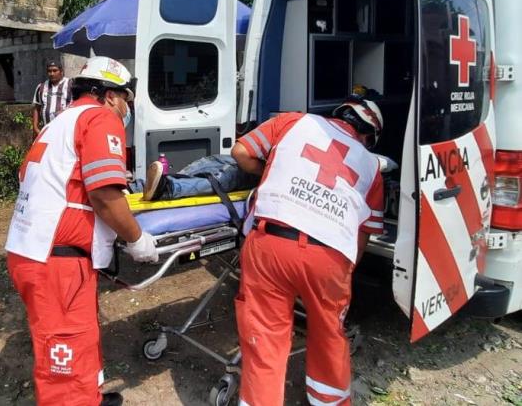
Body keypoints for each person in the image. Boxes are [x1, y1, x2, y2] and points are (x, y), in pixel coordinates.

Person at [6, 56, 158, 406]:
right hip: (56, 262)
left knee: (78, 337)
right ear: (109, 95)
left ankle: (89, 395)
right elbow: (104, 194)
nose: (126, 109)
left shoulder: (58, 123)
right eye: (126, 99)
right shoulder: (100, 118)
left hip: (35, 250)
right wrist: (137, 240)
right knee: (64, 357)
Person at [231, 95, 385, 406]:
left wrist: (276, 175)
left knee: (265, 338)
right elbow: (365, 233)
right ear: (368, 136)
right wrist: (344, 273)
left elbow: (241, 151)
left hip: (271, 244)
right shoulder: (371, 167)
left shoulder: (292, 121)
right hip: (328, 257)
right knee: (329, 336)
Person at [136, 154, 258, 201]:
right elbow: (238, 151)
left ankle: (166, 188)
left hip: (254, 170)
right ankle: (161, 188)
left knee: (225, 176)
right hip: (243, 161)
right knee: (215, 169)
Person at [32, 59, 72, 136]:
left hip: (66, 131)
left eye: (55, 70)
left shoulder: (71, 85)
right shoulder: (41, 87)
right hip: (46, 131)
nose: (52, 73)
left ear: (61, 71)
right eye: (49, 71)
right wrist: (35, 127)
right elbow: (37, 108)